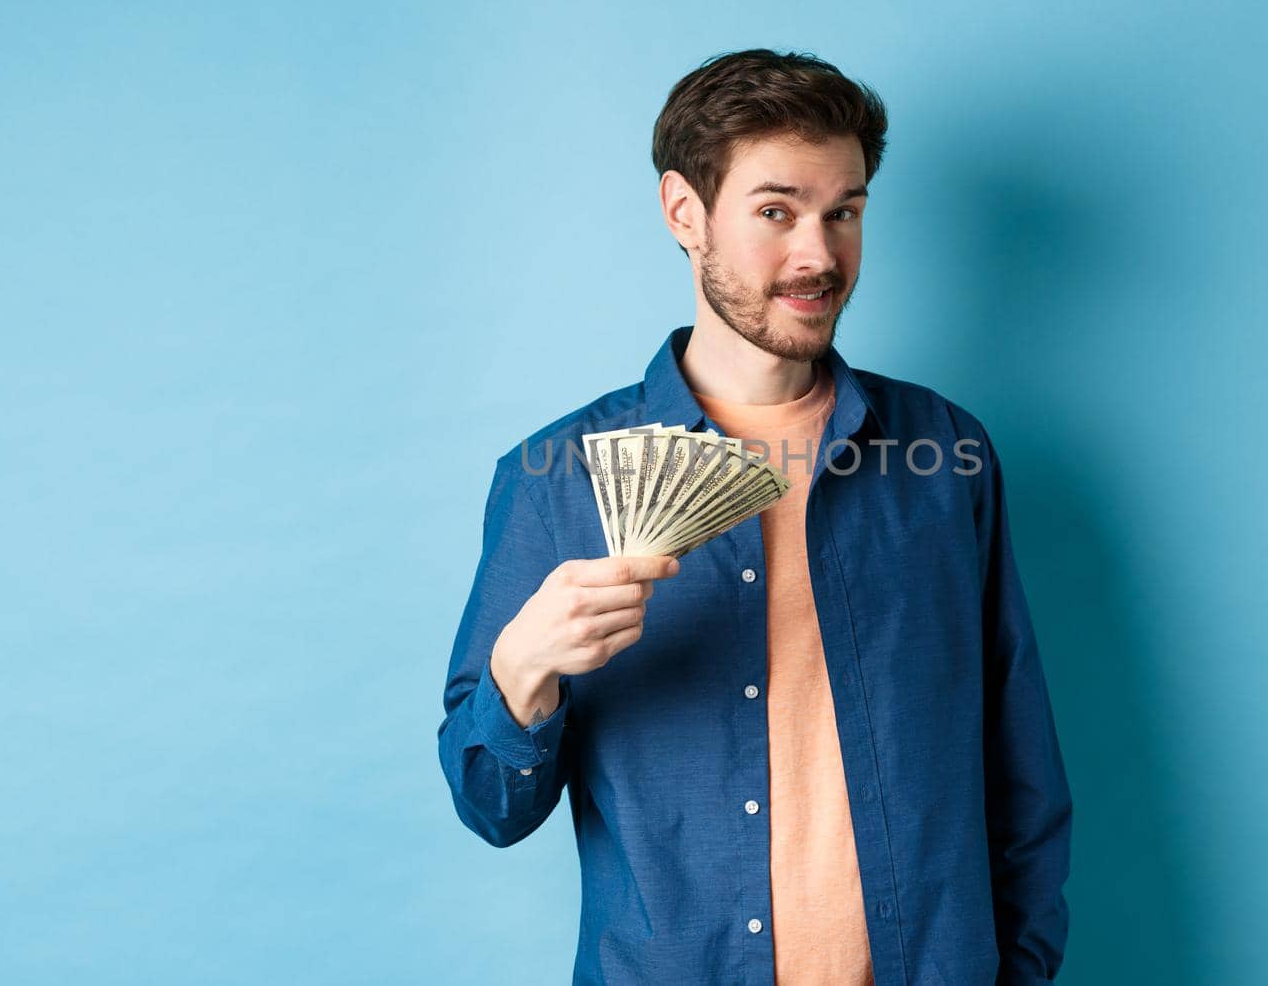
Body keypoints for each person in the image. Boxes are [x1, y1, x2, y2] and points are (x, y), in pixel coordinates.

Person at [437, 48, 1072, 985]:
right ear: (684, 213)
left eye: (844, 212)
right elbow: (492, 804)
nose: (818, 254)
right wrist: (523, 667)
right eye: (776, 212)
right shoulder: (557, 476)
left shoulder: (945, 453)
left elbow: (1021, 764)